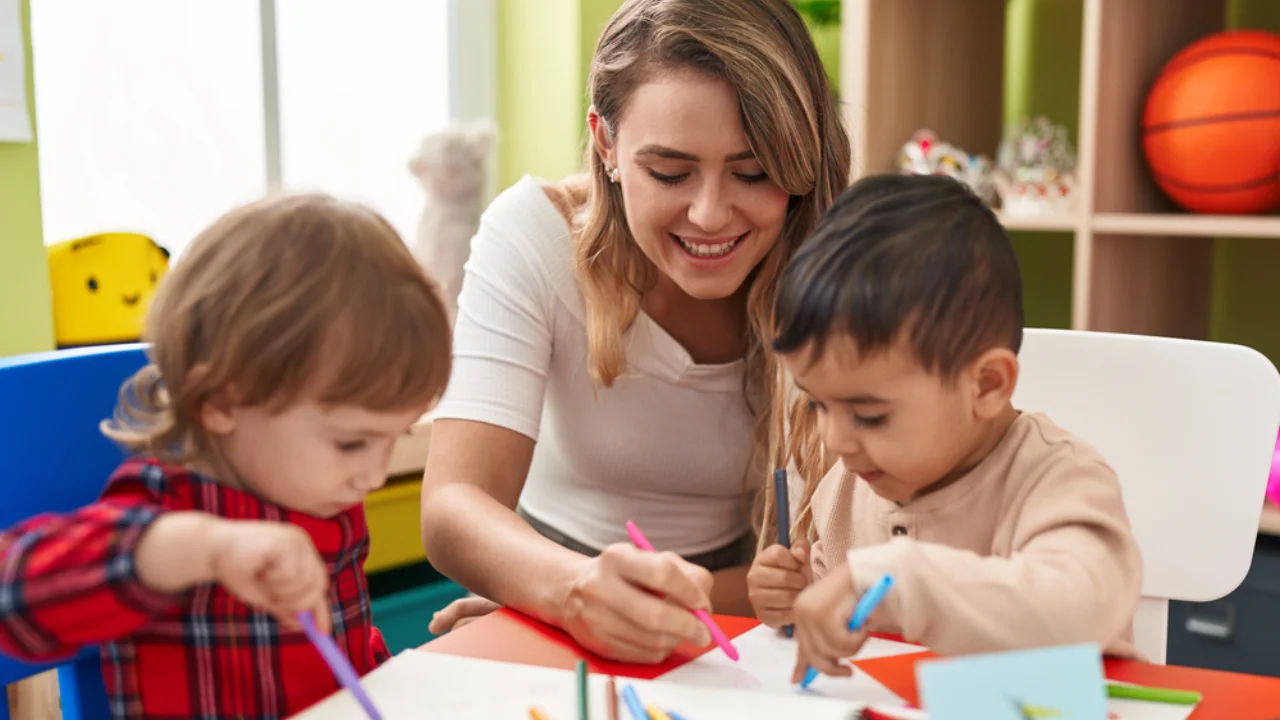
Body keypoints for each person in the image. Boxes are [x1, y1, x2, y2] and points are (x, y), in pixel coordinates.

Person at [420, 0, 849, 663]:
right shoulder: (534, 234)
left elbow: (836, 565)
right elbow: (454, 505)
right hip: (548, 564)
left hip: (738, 617)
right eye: (670, 173)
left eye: (754, 171)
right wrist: (559, 592)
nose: (709, 215)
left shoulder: (844, 269)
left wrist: (624, 610)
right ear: (606, 144)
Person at [0, 194, 452, 718]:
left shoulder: (323, 492)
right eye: (352, 443)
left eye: (393, 438)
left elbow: (335, 655)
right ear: (220, 401)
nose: (373, 475)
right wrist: (203, 549)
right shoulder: (167, 504)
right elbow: (13, 595)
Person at [744, 174, 1143, 681]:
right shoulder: (848, 488)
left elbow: (1081, 609)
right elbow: (844, 609)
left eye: (869, 414)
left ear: (986, 385)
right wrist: (798, 602)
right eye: (819, 405)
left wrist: (896, 580)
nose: (834, 440)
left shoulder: (1060, 479)